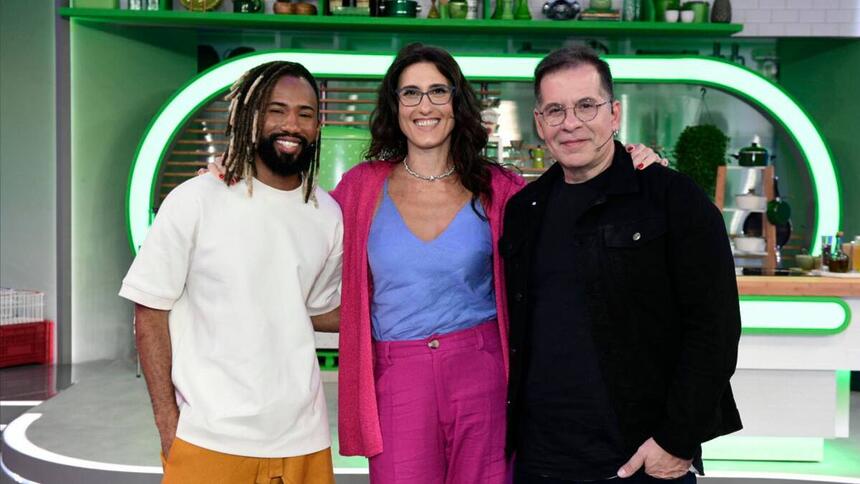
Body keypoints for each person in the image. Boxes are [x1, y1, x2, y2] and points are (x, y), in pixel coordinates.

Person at [331, 43, 666, 484]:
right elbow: (297, 232)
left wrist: (629, 160)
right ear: (394, 106)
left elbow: (568, 217)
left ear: (457, 101)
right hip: (398, 376)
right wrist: (228, 181)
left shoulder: (501, 187)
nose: (424, 105)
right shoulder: (359, 188)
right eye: (409, 93)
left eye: (438, 91)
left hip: (483, 373)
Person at [501, 45, 743, 484]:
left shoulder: (672, 199)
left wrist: (677, 440)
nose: (570, 122)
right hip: (541, 458)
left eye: (586, 106)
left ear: (614, 114)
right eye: (554, 110)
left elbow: (715, 331)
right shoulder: (524, 209)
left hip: (638, 459)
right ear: (539, 123)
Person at [120, 61, 342, 484]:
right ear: (250, 117)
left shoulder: (327, 213)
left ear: (318, 126)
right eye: (276, 110)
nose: (291, 124)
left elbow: (314, 311)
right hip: (209, 439)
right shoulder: (196, 199)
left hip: (303, 440)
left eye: (305, 113)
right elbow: (150, 311)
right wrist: (169, 425)